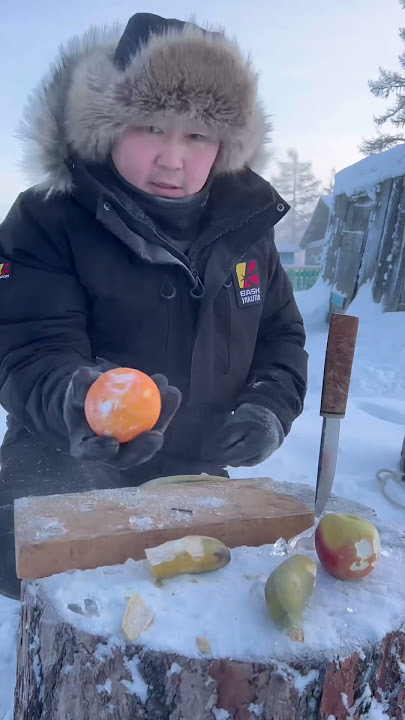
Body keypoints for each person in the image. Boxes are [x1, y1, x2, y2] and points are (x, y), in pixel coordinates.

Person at [0, 12, 308, 599]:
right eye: (149, 128)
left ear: (224, 144)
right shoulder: (48, 219)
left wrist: (269, 405)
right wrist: (78, 402)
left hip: (192, 479)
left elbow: (280, 336)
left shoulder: (248, 230)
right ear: (107, 125)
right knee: (79, 615)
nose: (173, 159)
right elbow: (29, 348)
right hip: (63, 467)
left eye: (196, 136)